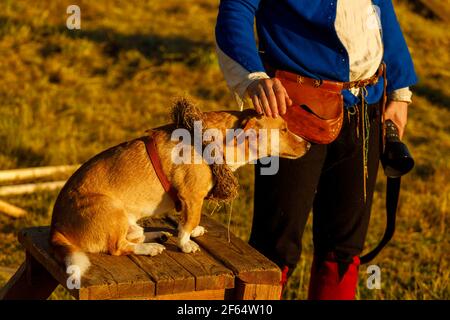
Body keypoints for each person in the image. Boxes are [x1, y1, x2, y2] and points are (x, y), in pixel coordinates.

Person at [215, 0, 417, 299]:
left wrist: (399, 90)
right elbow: (237, 7)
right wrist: (253, 78)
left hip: (367, 107)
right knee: (276, 243)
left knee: (344, 246)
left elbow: (381, 7)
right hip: (294, 108)